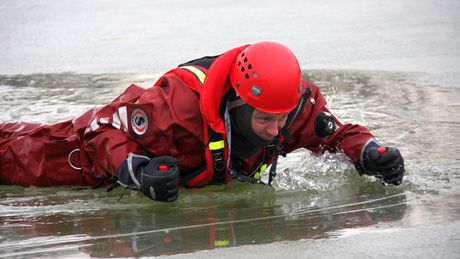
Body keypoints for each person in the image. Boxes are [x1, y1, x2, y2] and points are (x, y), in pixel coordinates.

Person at [0, 41, 405, 202]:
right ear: (239, 103)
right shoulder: (175, 106)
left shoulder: (292, 106)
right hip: (71, 158)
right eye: (265, 120)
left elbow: (336, 134)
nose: (277, 131)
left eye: (284, 120)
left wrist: (369, 152)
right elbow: (101, 130)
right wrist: (136, 171)